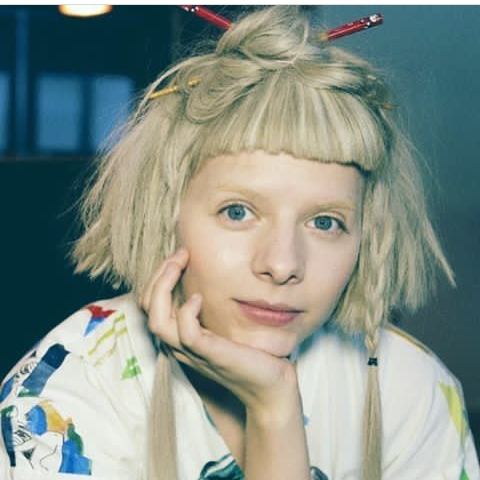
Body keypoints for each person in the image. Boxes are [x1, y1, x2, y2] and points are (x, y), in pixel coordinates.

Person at [1, 6, 479, 480]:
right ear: (166, 214)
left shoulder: (409, 388)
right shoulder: (61, 397)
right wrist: (272, 409)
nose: (282, 264)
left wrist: (274, 406)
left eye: (325, 222)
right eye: (238, 212)